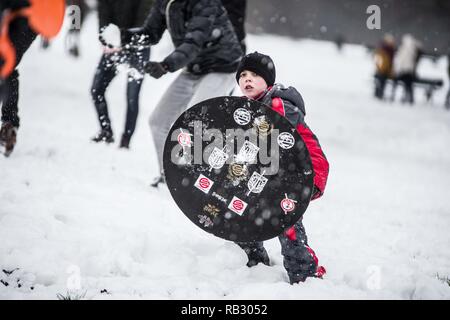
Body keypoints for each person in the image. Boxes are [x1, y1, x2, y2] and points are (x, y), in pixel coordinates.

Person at [124, 0, 243, 186]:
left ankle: (211, 178)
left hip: (223, 67)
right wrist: (122, 37)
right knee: (158, 121)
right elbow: (151, 33)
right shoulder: (165, 2)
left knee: (195, 121)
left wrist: (166, 65)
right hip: (194, 68)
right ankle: (170, 176)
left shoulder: (205, 3)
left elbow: (193, 42)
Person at [234, 52, 329, 284]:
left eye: (255, 75)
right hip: (275, 170)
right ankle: (254, 259)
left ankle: (304, 272)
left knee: (284, 218)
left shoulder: (279, 103)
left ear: (268, 81)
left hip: (305, 171)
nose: (248, 79)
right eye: (243, 75)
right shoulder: (249, 107)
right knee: (244, 207)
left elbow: (271, 136)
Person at [90, 0, 154, 149]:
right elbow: (103, 17)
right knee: (96, 89)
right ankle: (106, 131)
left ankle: (126, 140)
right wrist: (106, 39)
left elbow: (144, 21)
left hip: (139, 46)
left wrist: (124, 40)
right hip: (114, 45)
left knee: (132, 96)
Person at [0, 1, 38, 157]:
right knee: (7, 67)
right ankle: (9, 123)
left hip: (23, 18)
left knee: (6, 67)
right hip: (28, 20)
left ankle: (9, 123)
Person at [393, 34, 422, 105]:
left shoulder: (404, 49)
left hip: (404, 70)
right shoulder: (414, 48)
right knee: (408, 86)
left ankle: (398, 97)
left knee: (403, 84)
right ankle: (410, 99)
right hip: (410, 72)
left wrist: (398, 69)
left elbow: (400, 60)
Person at [373, 34, 395, 100]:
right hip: (382, 68)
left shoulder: (389, 49)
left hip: (384, 69)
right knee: (381, 82)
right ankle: (379, 94)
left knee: (381, 82)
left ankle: (379, 94)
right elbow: (379, 59)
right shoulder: (385, 49)